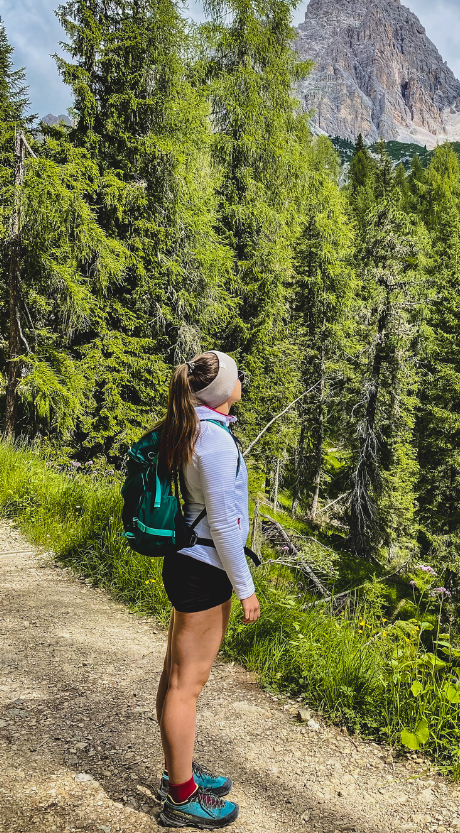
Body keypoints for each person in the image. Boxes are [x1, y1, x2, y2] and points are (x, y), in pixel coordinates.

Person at [152, 350, 259, 829]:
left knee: (176, 675)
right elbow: (224, 524)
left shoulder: (190, 425)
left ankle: (179, 768)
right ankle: (181, 794)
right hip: (204, 566)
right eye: (237, 377)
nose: (242, 381)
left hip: (188, 559)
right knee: (186, 685)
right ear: (223, 390)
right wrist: (246, 588)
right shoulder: (213, 443)